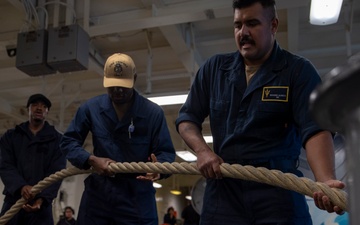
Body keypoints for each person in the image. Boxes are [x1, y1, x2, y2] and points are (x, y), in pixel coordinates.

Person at [175, 0, 345, 224]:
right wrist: (203, 151)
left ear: (273, 25)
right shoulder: (214, 69)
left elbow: (314, 130)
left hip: (278, 191)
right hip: (224, 191)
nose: (243, 33)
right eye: (238, 25)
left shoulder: (297, 71)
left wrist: (325, 180)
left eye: (252, 23)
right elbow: (187, 120)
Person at [60, 53, 176, 225]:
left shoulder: (152, 113)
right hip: (99, 195)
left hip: (136, 196)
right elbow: (68, 142)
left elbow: (166, 154)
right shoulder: (90, 109)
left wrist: (159, 169)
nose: (118, 90)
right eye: (113, 85)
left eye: (123, 86)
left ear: (134, 79)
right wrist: (91, 159)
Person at [0, 93, 66, 225]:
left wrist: (41, 199)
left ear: (47, 111)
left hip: (41, 205)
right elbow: (5, 165)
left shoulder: (57, 140)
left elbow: (57, 172)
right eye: (35, 105)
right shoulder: (11, 137)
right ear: (28, 109)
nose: (39, 108)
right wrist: (21, 186)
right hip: (14, 201)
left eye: (44, 106)